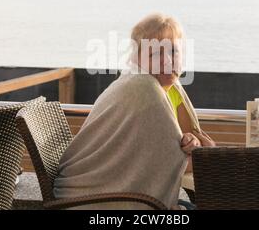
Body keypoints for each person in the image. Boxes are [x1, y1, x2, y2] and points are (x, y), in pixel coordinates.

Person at [53, 13, 215, 209]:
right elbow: (174, 164)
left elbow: (169, 148)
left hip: (90, 194)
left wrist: (192, 142)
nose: (167, 61)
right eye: (155, 54)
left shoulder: (168, 88)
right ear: (137, 58)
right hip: (95, 200)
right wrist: (200, 151)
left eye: (173, 51)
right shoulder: (145, 90)